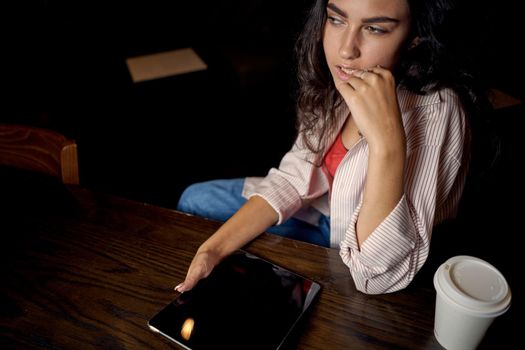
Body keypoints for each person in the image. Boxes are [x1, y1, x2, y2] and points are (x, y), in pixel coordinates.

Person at [175, 0, 490, 294]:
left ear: (415, 36)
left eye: (375, 28)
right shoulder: (340, 79)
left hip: (359, 247)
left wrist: (387, 142)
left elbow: (375, 276)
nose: (345, 49)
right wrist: (211, 250)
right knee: (195, 199)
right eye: (337, 19)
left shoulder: (437, 110)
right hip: (319, 208)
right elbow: (293, 176)